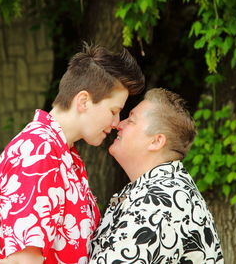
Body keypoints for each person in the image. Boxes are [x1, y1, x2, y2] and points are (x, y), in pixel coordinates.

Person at [0, 43, 145, 264]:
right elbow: (22, 260)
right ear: (83, 101)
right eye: (113, 111)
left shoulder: (60, 153)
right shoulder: (38, 151)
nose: (116, 123)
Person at [89, 88, 224, 263]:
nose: (118, 124)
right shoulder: (165, 188)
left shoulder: (158, 201)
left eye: (131, 120)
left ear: (156, 141)